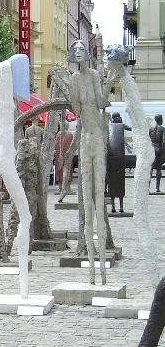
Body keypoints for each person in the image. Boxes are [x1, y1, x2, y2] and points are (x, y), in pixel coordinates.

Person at [68, 39, 109, 287]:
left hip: (97, 138)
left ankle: (102, 269)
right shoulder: (74, 79)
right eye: (76, 50)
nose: (79, 53)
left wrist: (110, 81)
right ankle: (92, 271)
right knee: (86, 202)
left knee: (99, 199)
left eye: (82, 49)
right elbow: (76, 108)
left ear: (87, 53)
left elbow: (101, 103)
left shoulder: (94, 75)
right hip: (85, 140)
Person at [108, 112, 130, 212]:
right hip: (120, 158)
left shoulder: (109, 127)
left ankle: (113, 207)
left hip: (111, 158)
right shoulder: (122, 126)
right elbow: (131, 128)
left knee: (112, 182)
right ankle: (121, 207)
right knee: (120, 183)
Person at [150, 114, 165, 192]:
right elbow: (164, 142)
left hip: (152, 149)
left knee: (150, 169)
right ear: (160, 119)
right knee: (159, 169)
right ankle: (157, 188)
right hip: (159, 149)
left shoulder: (151, 129)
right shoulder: (163, 129)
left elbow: (148, 140)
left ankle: (147, 188)